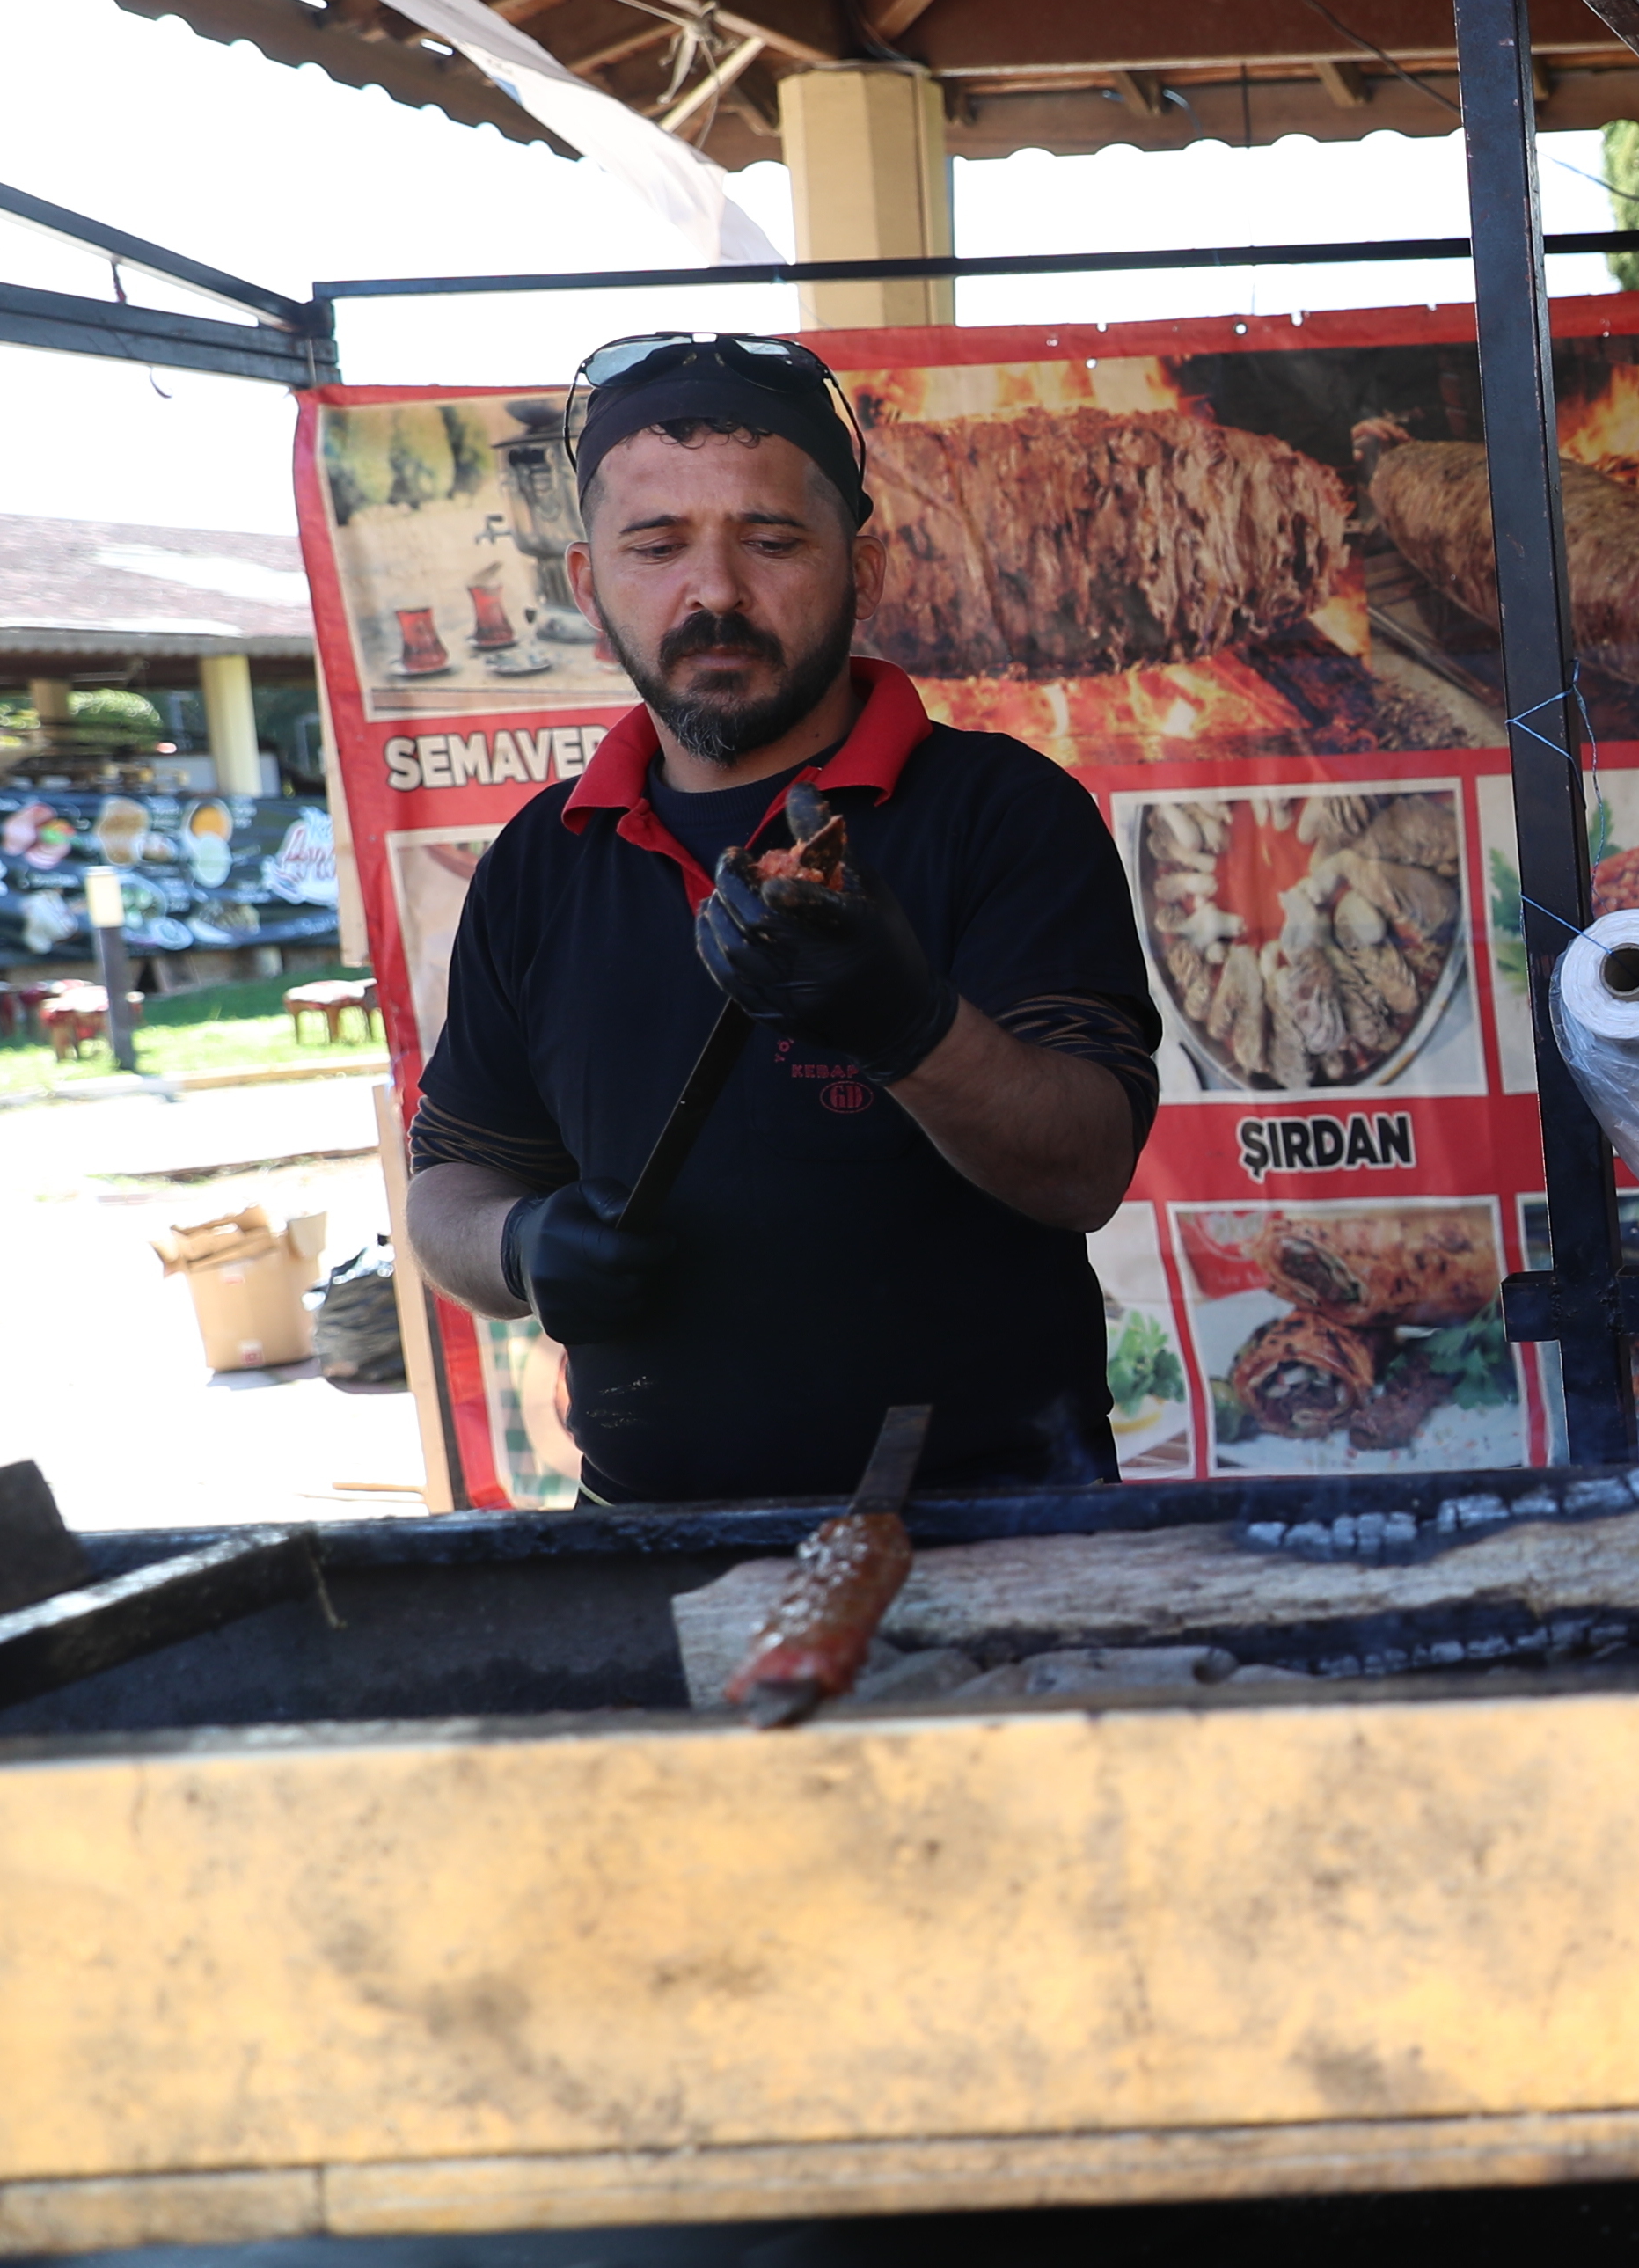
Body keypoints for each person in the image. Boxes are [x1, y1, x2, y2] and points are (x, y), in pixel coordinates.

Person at [405, 333, 1160, 1503]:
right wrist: (521, 1245)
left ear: (866, 564)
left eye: (772, 541)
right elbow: (455, 1179)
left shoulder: (1005, 815)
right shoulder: (539, 864)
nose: (714, 593)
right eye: (655, 547)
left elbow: (1085, 1170)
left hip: (999, 1523)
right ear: (583, 581)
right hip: (640, 1536)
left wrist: (909, 1027)